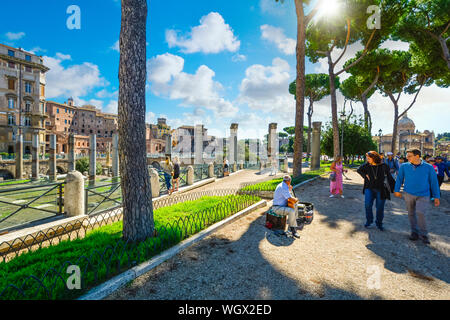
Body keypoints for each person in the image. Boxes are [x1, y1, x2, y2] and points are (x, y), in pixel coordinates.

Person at [394, 148, 440, 244]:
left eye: (409, 156)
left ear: (417, 156)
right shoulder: (404, 166)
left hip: (423, 194)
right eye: (407, 156)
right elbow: (399, 179)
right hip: (408, 193)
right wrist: (396, 190)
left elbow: (434, 182)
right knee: (411, 213)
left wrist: (436, 196)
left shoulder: (429, 167)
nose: (407, 158)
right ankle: (414, 232)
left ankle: (423, 234)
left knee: (420, 213)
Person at [357, 151, 395, 231]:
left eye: (369, 158)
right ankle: (369, 221)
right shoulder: (366, 166)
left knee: (379, 207)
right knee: (367, 205)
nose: (367, 160)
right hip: (369, 188)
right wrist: (365, 175)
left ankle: (379, 223)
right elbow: (359, 170)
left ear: (374, 158)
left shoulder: (384, 166)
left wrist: (395, 188)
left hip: (381, 189)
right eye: (367, 158)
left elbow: (389, 178)